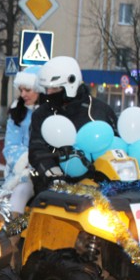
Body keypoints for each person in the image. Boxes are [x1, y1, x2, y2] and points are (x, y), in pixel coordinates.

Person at [29, 56, 117, 194]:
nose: (49, 94)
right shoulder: (42, 114)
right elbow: (36, 150)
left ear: (71, 84)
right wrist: (53, 175)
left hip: (102, 187)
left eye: (54, 89)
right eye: (47, 89)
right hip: (55, 188)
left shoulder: (100, 111)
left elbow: (117, 146)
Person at [3, 66, 42, 215]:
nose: (23, 94)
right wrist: (26, 162)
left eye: (27, 90)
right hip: (22, 173)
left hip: (47, 172)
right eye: (21, 90)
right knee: (18, 194)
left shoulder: (50, 112)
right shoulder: (17, 112)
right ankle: (11, 234)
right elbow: (11, 145)